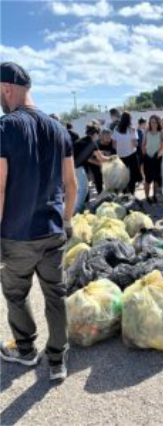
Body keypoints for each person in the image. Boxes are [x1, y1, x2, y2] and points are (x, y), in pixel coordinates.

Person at [0, 62, 77, 382]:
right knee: (55, 294)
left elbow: (1, 186)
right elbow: (71, 183)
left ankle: (27, 350)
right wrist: (68, 220)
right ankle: (58, 359)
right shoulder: (58, 129)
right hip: (53, 229)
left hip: (17, 234)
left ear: (7, 89)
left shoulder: (6, 127)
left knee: (16, 294)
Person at [73, 124, 102, 209]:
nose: (99, 137)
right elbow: (101, 158)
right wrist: (111, 159)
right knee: (84, 189)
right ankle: (76, 210)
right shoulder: (92, 143)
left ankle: (79, 207)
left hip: (70, 166)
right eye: (99, 134)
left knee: (80, 189)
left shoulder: (81, 140)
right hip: (76, 167)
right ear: (95, 134)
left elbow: (88, 159)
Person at [113, 111, 142, 194]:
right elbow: (134, 144)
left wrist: (121, 146)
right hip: (131, 155)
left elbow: (114, 145)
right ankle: (131, 194)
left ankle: (124, 193)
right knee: (132, 176)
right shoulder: (132, 129)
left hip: (120, 156)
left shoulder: (116, 129)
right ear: (129, 119)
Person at [142, 115, 163, 204]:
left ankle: (155, 195)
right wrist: (145, 155)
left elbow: (162, 146)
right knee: (148, 179)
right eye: (151, 122)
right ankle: (147, 197)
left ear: (158, 122)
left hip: (157, 159)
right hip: (148, 159)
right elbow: (143, 145)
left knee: (156, 179)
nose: (153, 124)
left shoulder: (161, 133)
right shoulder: (147, 132)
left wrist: (157, 155)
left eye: (154, 122)